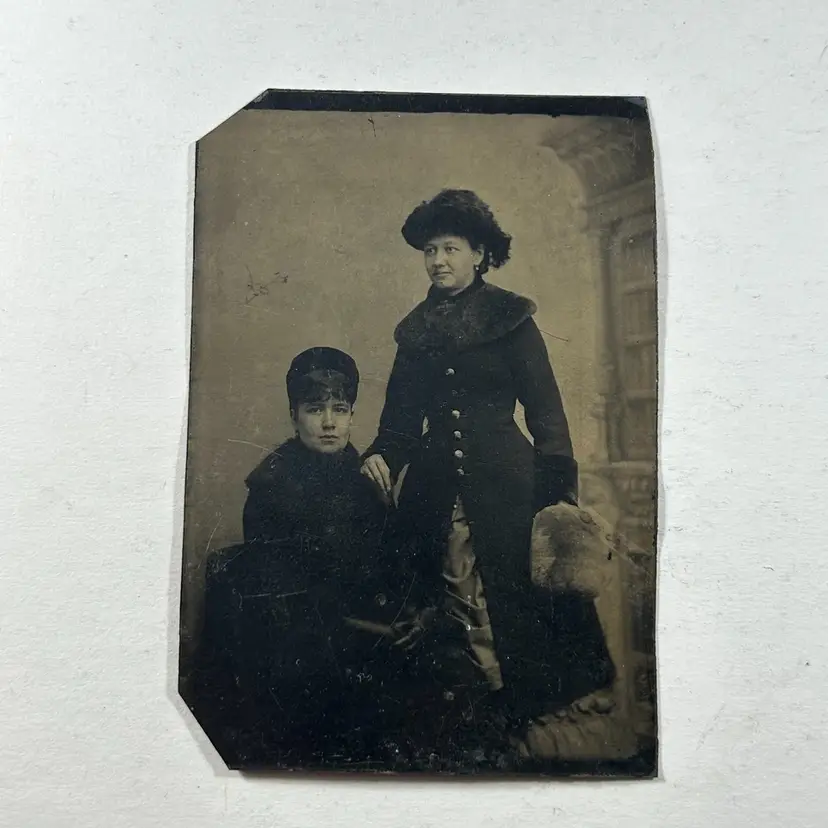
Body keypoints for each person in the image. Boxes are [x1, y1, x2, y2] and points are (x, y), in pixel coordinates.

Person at [360, 190, 615, 752]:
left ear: (478, 253)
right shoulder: (414, 331)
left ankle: (524, 710)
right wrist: (381, 455)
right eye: (429, 250)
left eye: (450, 248)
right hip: (435, 490)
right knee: (448, 596)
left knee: (518, 596)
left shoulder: (511, 318)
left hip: (508, 484)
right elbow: (399, 423)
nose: (438, 261)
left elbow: (547, 413)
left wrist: (557, 494)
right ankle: (472, 705)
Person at [190, 347, 413, 769]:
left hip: (360, 625)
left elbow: (388, 563)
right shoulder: (272, 486)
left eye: (340, 409)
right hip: (298, 635)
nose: (329, 423)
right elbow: (283, 590)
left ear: (351, 415)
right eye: (315, 410)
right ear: (295, 416)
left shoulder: (366, 476)